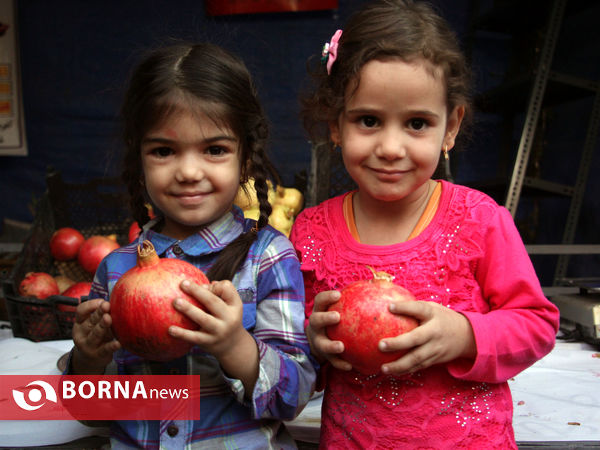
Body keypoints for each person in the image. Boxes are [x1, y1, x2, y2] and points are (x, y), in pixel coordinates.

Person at [290, 1, 560, 448]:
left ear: (450, 127)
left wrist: (466, 335)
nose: (391, 147)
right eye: (368, 121)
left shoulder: (479, 219)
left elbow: (535, 324)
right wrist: (313, 345)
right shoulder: (311, 232)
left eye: (417, 123)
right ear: (334, 123)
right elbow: (295, 354)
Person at [67, 42, 316, 449]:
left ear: (245, 158)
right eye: (164, 150)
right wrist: (88, 363)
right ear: (140, 158)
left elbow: (295, 397)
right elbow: (93, 414)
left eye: (214, 150)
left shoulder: (268, 258)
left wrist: (235, 345)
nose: (188, 171)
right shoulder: (115, 270)